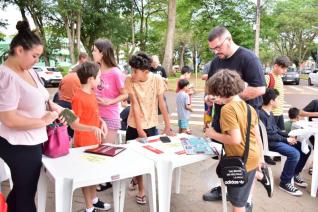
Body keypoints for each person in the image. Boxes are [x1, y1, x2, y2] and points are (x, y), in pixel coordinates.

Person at [0, 20, 62, 212]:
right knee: (26, 194)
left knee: (23, 190)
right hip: (18, 144)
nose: (37, 60)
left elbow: (42, 97)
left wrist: (54, 107)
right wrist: (43, 121)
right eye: (34, 55)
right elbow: (8, 119)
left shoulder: (30, 71)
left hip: (33, 139)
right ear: (19, 50)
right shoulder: (6, 76)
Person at [203, 26, 266, 203]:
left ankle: (247, 198)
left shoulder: (248, 58)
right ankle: (224, 185)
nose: (216, 52)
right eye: (212, 49)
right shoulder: (216, 61)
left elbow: (260, 89)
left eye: (218, 47)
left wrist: (229, 98)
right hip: (222, 116)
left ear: (228, 40)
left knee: (244, 156)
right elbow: (211, 86)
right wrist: (210, 97)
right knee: (223, 153)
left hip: (243, 117)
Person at [205, 69, 271, 212]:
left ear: (221, 91)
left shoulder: (227, 109)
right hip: (252, 158)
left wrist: (212, 133)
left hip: (240, 162)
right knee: (242, 198)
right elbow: (257, 136)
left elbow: (235, 139)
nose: (214, 96)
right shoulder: (249, 108)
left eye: (215, 92)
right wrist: (261, 158)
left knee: (237, 205)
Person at [124, 52, 174, 204]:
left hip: (151, 125)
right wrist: (139, 129)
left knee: (150, 160)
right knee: (136, 161)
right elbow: (135, 105)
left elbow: (162, 103)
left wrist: (168, 125)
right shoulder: (129, 80)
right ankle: (141, 189)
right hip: (134, 125)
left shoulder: (157, 79)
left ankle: (137, 179)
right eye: (131, 70)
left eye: (135, 71)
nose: (131, 74)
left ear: (146, 71)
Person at [70, 61, 111, 212]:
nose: (100, 80)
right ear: (90, 79)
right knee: (87, 176)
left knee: (94, 174)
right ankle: (89, 207)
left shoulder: (91, 93)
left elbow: (93, 114)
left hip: (94, 141)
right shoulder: (78, 97)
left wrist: (101, 122)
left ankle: (94, 200)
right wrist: (92, 128)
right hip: (83, 143)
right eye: (99, 77)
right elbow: (74, 124)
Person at [259, 88, 310, 196]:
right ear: (271, 101)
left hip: (275, 140)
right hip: (270, 144)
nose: (279, 101)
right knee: (294, 153)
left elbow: (276, 130)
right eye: (278, 99)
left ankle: (295, 174)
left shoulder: (269, 113)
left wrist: (289, 136)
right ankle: (285, 182)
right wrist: (286, 139)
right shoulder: (261, 114)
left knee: (303, 148)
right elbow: (269, 136)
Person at [92, 39, 128, 144]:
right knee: (94, 151)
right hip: (94, 115)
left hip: (110, 117)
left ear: (102, 53)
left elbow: (125, 94)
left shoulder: (115, 72)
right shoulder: (95, 70)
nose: (92, 53)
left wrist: (109, 102)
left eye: (95, 51)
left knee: (105, 151)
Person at [264, 56, 291, 165]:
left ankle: (277, 154)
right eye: (283, 68)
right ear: (276, 66)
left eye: (286, 68)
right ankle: (266, 155)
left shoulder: (279, 77)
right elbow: (263, 94)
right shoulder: (268, 77)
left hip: (279, 112)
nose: (285, 70)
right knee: (269, 135)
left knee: (282, 133)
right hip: (271, 113)